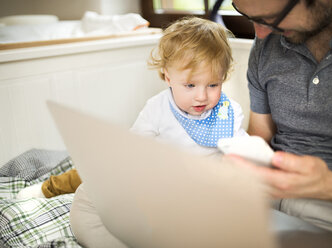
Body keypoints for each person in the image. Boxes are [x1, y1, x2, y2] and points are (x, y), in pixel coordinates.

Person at [65, 17, 247, 247]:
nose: (202, 96)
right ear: (168, 77)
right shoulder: (157, 109)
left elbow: (244, 153)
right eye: (190, 85)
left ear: (223, 77)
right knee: (87, 195)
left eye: (213, 85)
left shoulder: (228, 113)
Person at [229, 0, 332, 246]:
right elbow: (260, 136)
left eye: (270, 17)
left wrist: (331, 186)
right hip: (268, 203)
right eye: (245, 15)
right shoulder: (265, 46)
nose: (260, 33)